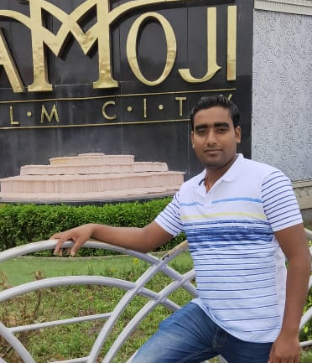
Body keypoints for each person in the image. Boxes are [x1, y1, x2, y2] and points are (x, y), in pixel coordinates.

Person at [50, 95, 311, 363]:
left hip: (259, 331)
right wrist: (94, 228)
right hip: (207, 317)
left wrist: (289, 334)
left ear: (237, 134)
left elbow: (300, 258)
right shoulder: (189, 192)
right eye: (202, 131)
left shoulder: (268, 182)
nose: (211, 139)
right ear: (193, 138)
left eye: (221, 129)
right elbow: (146, 237)